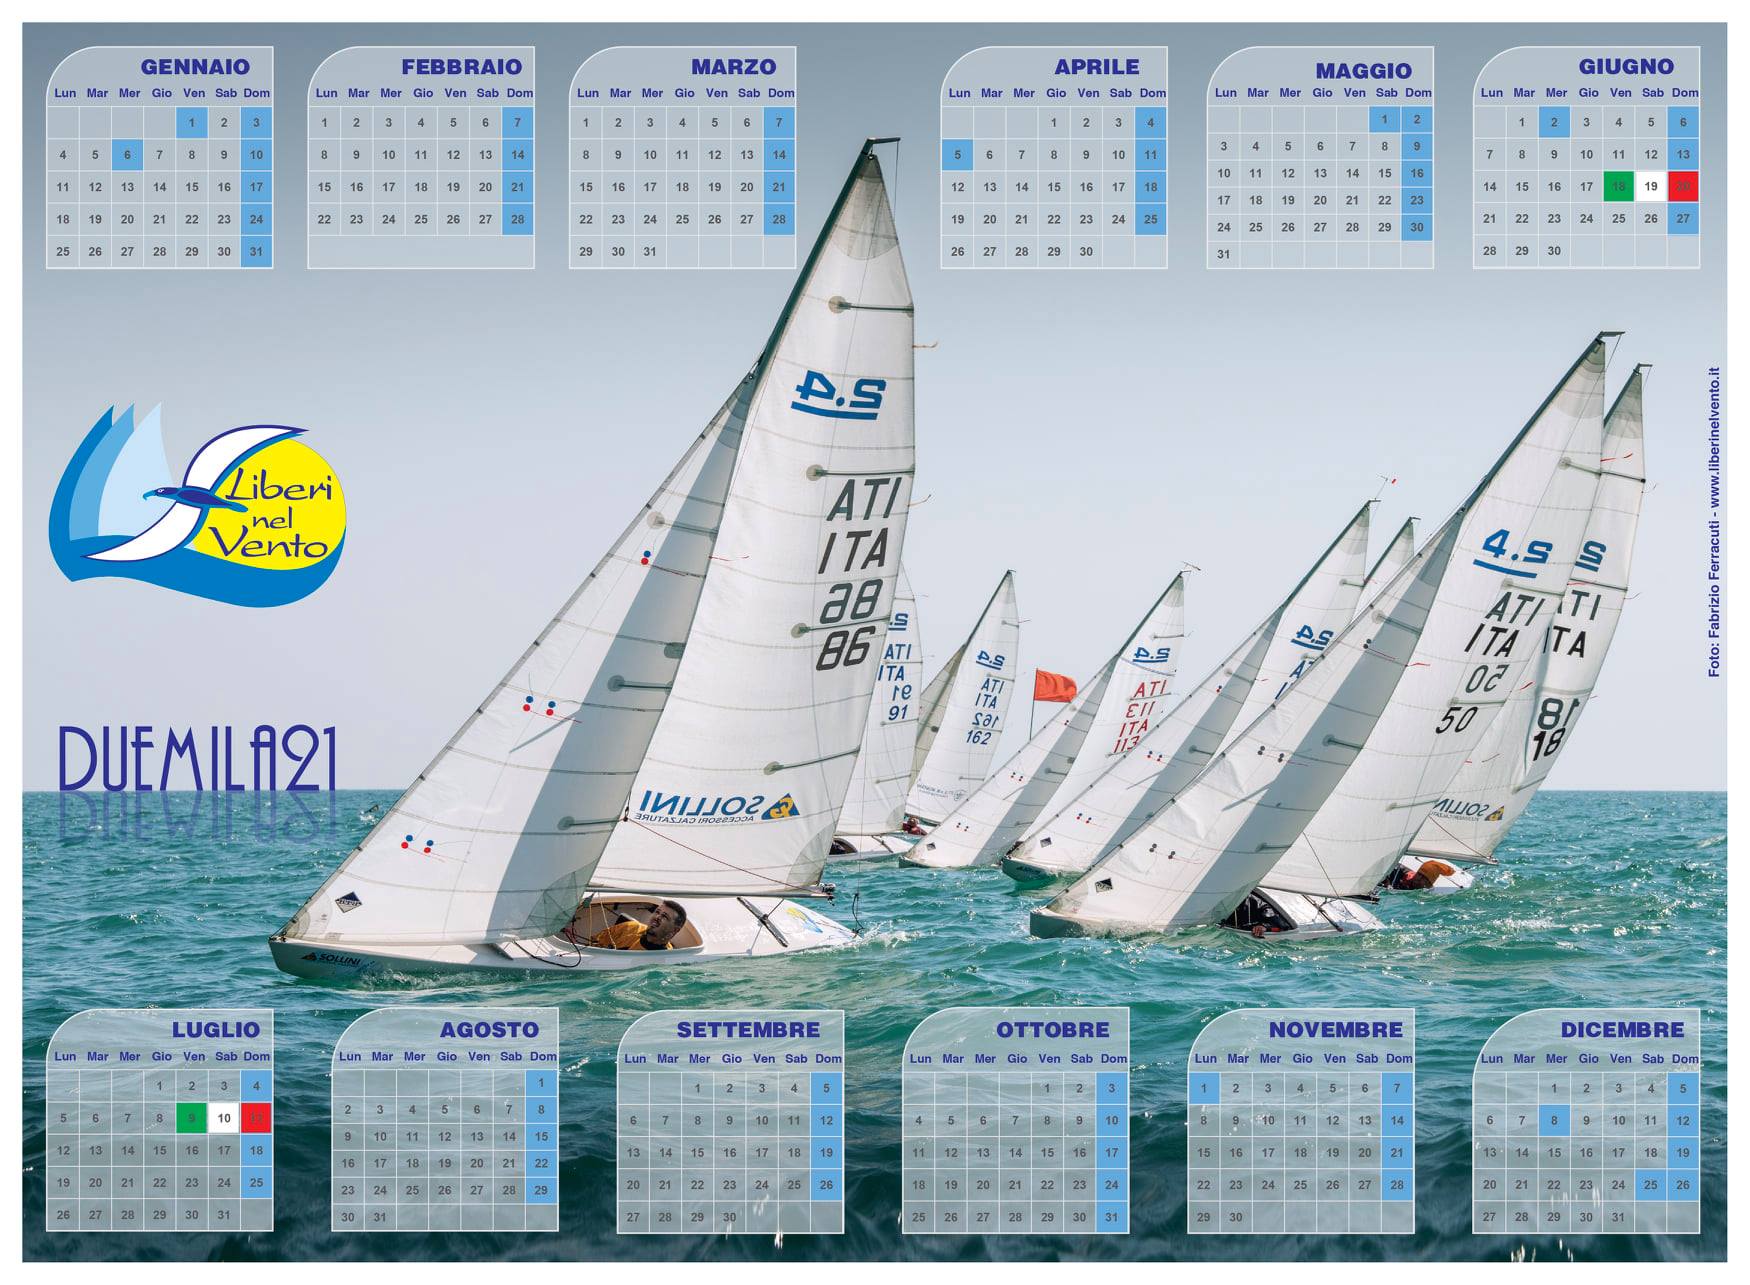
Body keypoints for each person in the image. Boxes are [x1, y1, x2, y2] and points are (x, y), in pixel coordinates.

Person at [588, 900, 687, 950]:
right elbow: (592, 944)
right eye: (657, 912)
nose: (657, 917)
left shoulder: (667, 958)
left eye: (664, 916)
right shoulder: (629, 928)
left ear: (674, 930)